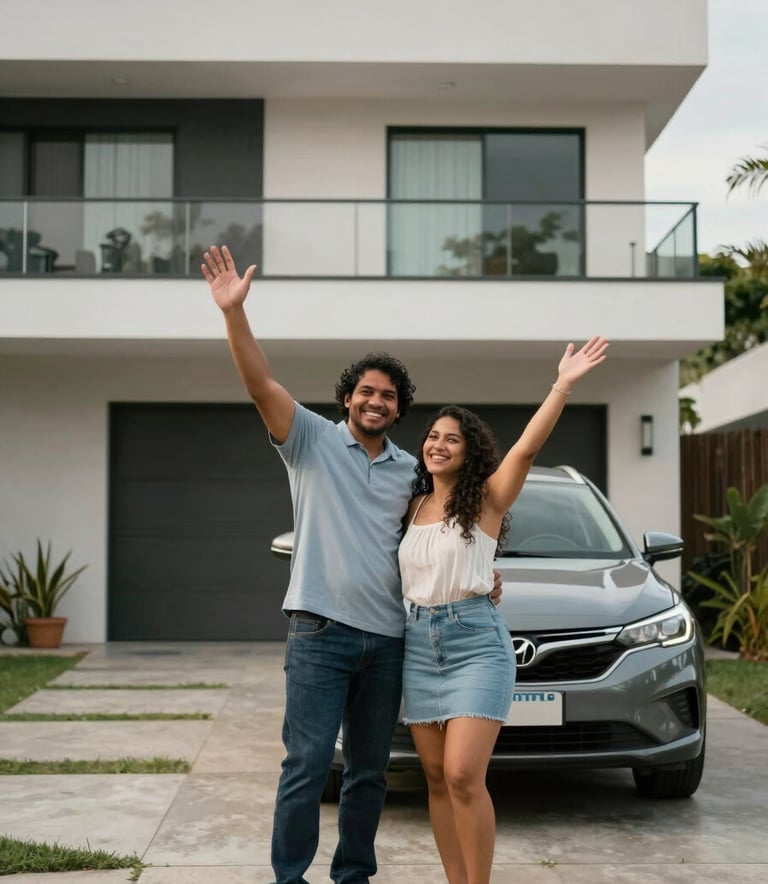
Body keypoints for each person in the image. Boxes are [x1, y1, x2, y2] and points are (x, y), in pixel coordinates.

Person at [201, 244, 500, 884]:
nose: (376, 402)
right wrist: (233, 314)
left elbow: (446, 537)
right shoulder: (307, 438)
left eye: (389, 397)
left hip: (391, 639)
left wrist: (483, 580)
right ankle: (290, 877)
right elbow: (259, 381)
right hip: (318, 631)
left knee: (370, 771)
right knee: (308, 763)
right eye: (366, 391)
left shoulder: (412, 474)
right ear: (347, 398)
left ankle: (353, 875)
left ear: (399, 408)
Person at [399, 336, 609, 884]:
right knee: (437, 781)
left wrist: (561, 385)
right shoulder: (411, 503)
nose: (439, 444)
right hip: (418, 644)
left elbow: (526, 450)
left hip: (475, 643)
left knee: (464, 775)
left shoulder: (488, 499)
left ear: (469, 452)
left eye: (452, 439)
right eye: (433, 436)